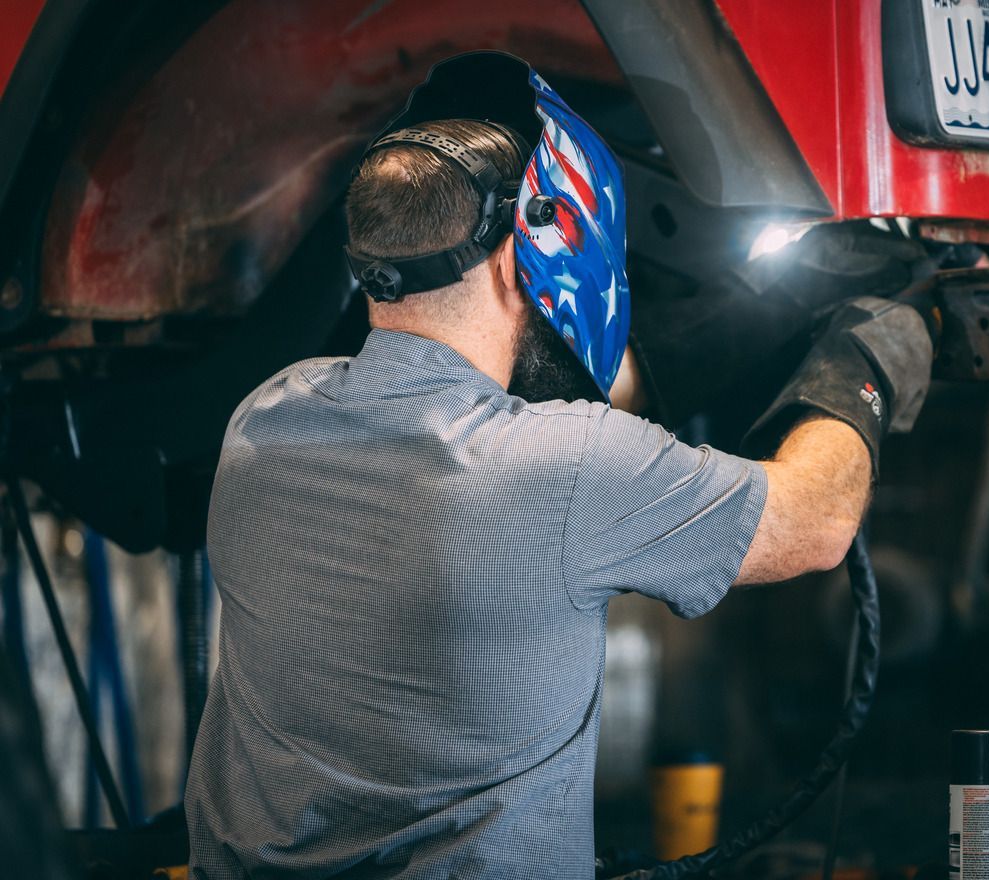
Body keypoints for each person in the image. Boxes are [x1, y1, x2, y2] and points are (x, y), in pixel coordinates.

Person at [185, 51, 932, 879]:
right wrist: (864, 363)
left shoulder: (265, 421)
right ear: (518, 257)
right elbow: (816, 523)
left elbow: (546, 423)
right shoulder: (571, 468)